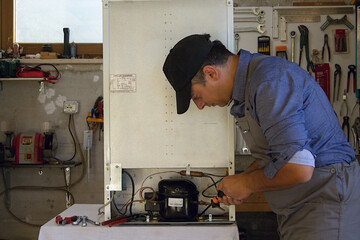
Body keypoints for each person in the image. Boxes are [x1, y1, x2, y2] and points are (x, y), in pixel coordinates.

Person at [162, 34, 360, 240]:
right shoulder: (253, 85)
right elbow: (279, 156)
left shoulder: (269, 83)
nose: (200, 106)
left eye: (196, 97)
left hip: (324, 205)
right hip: (304, 208)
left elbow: (299, 168)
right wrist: (242, 180)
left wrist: (247, 184)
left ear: (211, 73)